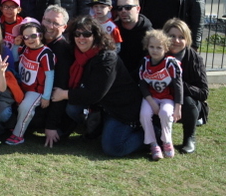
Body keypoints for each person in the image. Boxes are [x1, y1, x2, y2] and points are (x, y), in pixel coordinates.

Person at [51, 16, 143, 157]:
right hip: (102, 107)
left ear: (96, 36)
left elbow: (94, 94)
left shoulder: (107, 58)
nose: (81, 38)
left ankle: (151, 134)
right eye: (77, 34)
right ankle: (97, 128)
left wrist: (64, 94)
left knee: (113, 148)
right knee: (73, 108)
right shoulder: (77, 53)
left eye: (86, 34)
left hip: (121, 109)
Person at [163, 19, 208, 154]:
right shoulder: (157, 52)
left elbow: (203, 92)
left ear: (187, 39)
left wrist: (178, 85)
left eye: (181, 37)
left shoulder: (194, 58)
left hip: (188, 103)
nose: (176, 40)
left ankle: (189, 137)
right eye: (172, 36)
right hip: (162, 99)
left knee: (187, 100)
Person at [5, 21, 54, 146]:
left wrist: (46, 96)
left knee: (25, 107)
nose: (29, 39)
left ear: (40, 35)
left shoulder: (45, 53)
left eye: (33, 36)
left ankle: (18, 135)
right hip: (24, 86)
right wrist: (16, 46)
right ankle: (12, 125)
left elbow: (50, 75)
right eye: (26, 37)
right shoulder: (25, 48)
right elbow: (15, 60)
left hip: (37, 90)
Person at [138, 30, 182, 161]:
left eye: (159, 47)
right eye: (151, 46)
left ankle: (167, 141)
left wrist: (178, 107)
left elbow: (178, 86)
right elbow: (142, 85)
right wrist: (151, 102)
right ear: (147, 46)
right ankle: (153, 144)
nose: (155, 50)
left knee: (165, 113)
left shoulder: (170, 63)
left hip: (167, 97)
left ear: (166, 48)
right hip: (151, 97)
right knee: (144, 114)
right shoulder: (145, 62)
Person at [39, 5, 73, 148]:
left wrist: (51, 126)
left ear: (64, 27)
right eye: (47, 21)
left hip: (53, 105)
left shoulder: (63, 50)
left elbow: (59, 90)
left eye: (55, 23)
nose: (50, 26)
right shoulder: (36, 40)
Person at [115, 0, 153, 79]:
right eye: (119, 8)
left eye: (128, 7)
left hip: (141, 79)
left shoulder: (149, 34)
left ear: (138, 9)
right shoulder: (113, 30)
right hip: (117, 78)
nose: (123, 11)